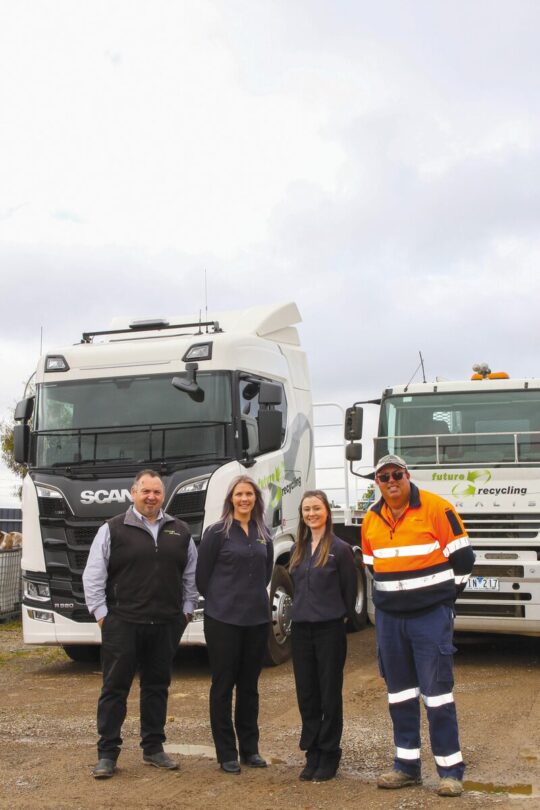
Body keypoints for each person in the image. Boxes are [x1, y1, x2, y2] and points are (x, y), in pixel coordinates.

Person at [361, 454, 475, 798]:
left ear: (407, 475)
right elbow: (371, 565)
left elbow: (464, 561)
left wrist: (440, 600)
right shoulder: (371, 518)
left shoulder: (437, 509)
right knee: (400, 695)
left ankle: (450, 772)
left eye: (396, 474)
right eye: (383, 476)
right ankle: (406, 767)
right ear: (377, 482)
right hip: (391, 620)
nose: (391, 480)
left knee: (437, 695)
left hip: (430, 618)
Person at [82, 469, 198, 779]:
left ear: (163, 496)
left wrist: (185, 612)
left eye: (156, 492)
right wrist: (103, 615)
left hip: (166, 624)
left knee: (156, 687)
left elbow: (191, 576)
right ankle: (107, 754)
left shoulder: (180, 531)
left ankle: (153, 749)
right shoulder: (113, 529)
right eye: (145, 491)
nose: (151, 497)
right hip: (123, 623)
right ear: (133, 493)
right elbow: (94, 574)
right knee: (114, 689)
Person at [195, 475, 273, 774]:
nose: (244, 499)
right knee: (223, 685)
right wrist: (222, 599)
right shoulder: (217, 532)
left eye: (249, 494)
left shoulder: (263, 532)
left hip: (256, 619)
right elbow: (203, 576)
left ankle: (249, 749)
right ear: (231, 499)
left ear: (256, 499)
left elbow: (266, 574)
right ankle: (226, 752)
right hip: (223, 620)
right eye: (239, 494)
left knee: (250, 687)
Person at [289, 489, 358, 782]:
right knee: (307, 694)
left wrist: (337, 617)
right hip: (301, 630)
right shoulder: (299, 548)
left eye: (316, 508)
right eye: (306, 510)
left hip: (329, 630)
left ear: (327, 511)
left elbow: (349, 590)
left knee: (329, 693)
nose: (311, 514)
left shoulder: (340, 548)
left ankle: (330, 753)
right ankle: (312, 751)